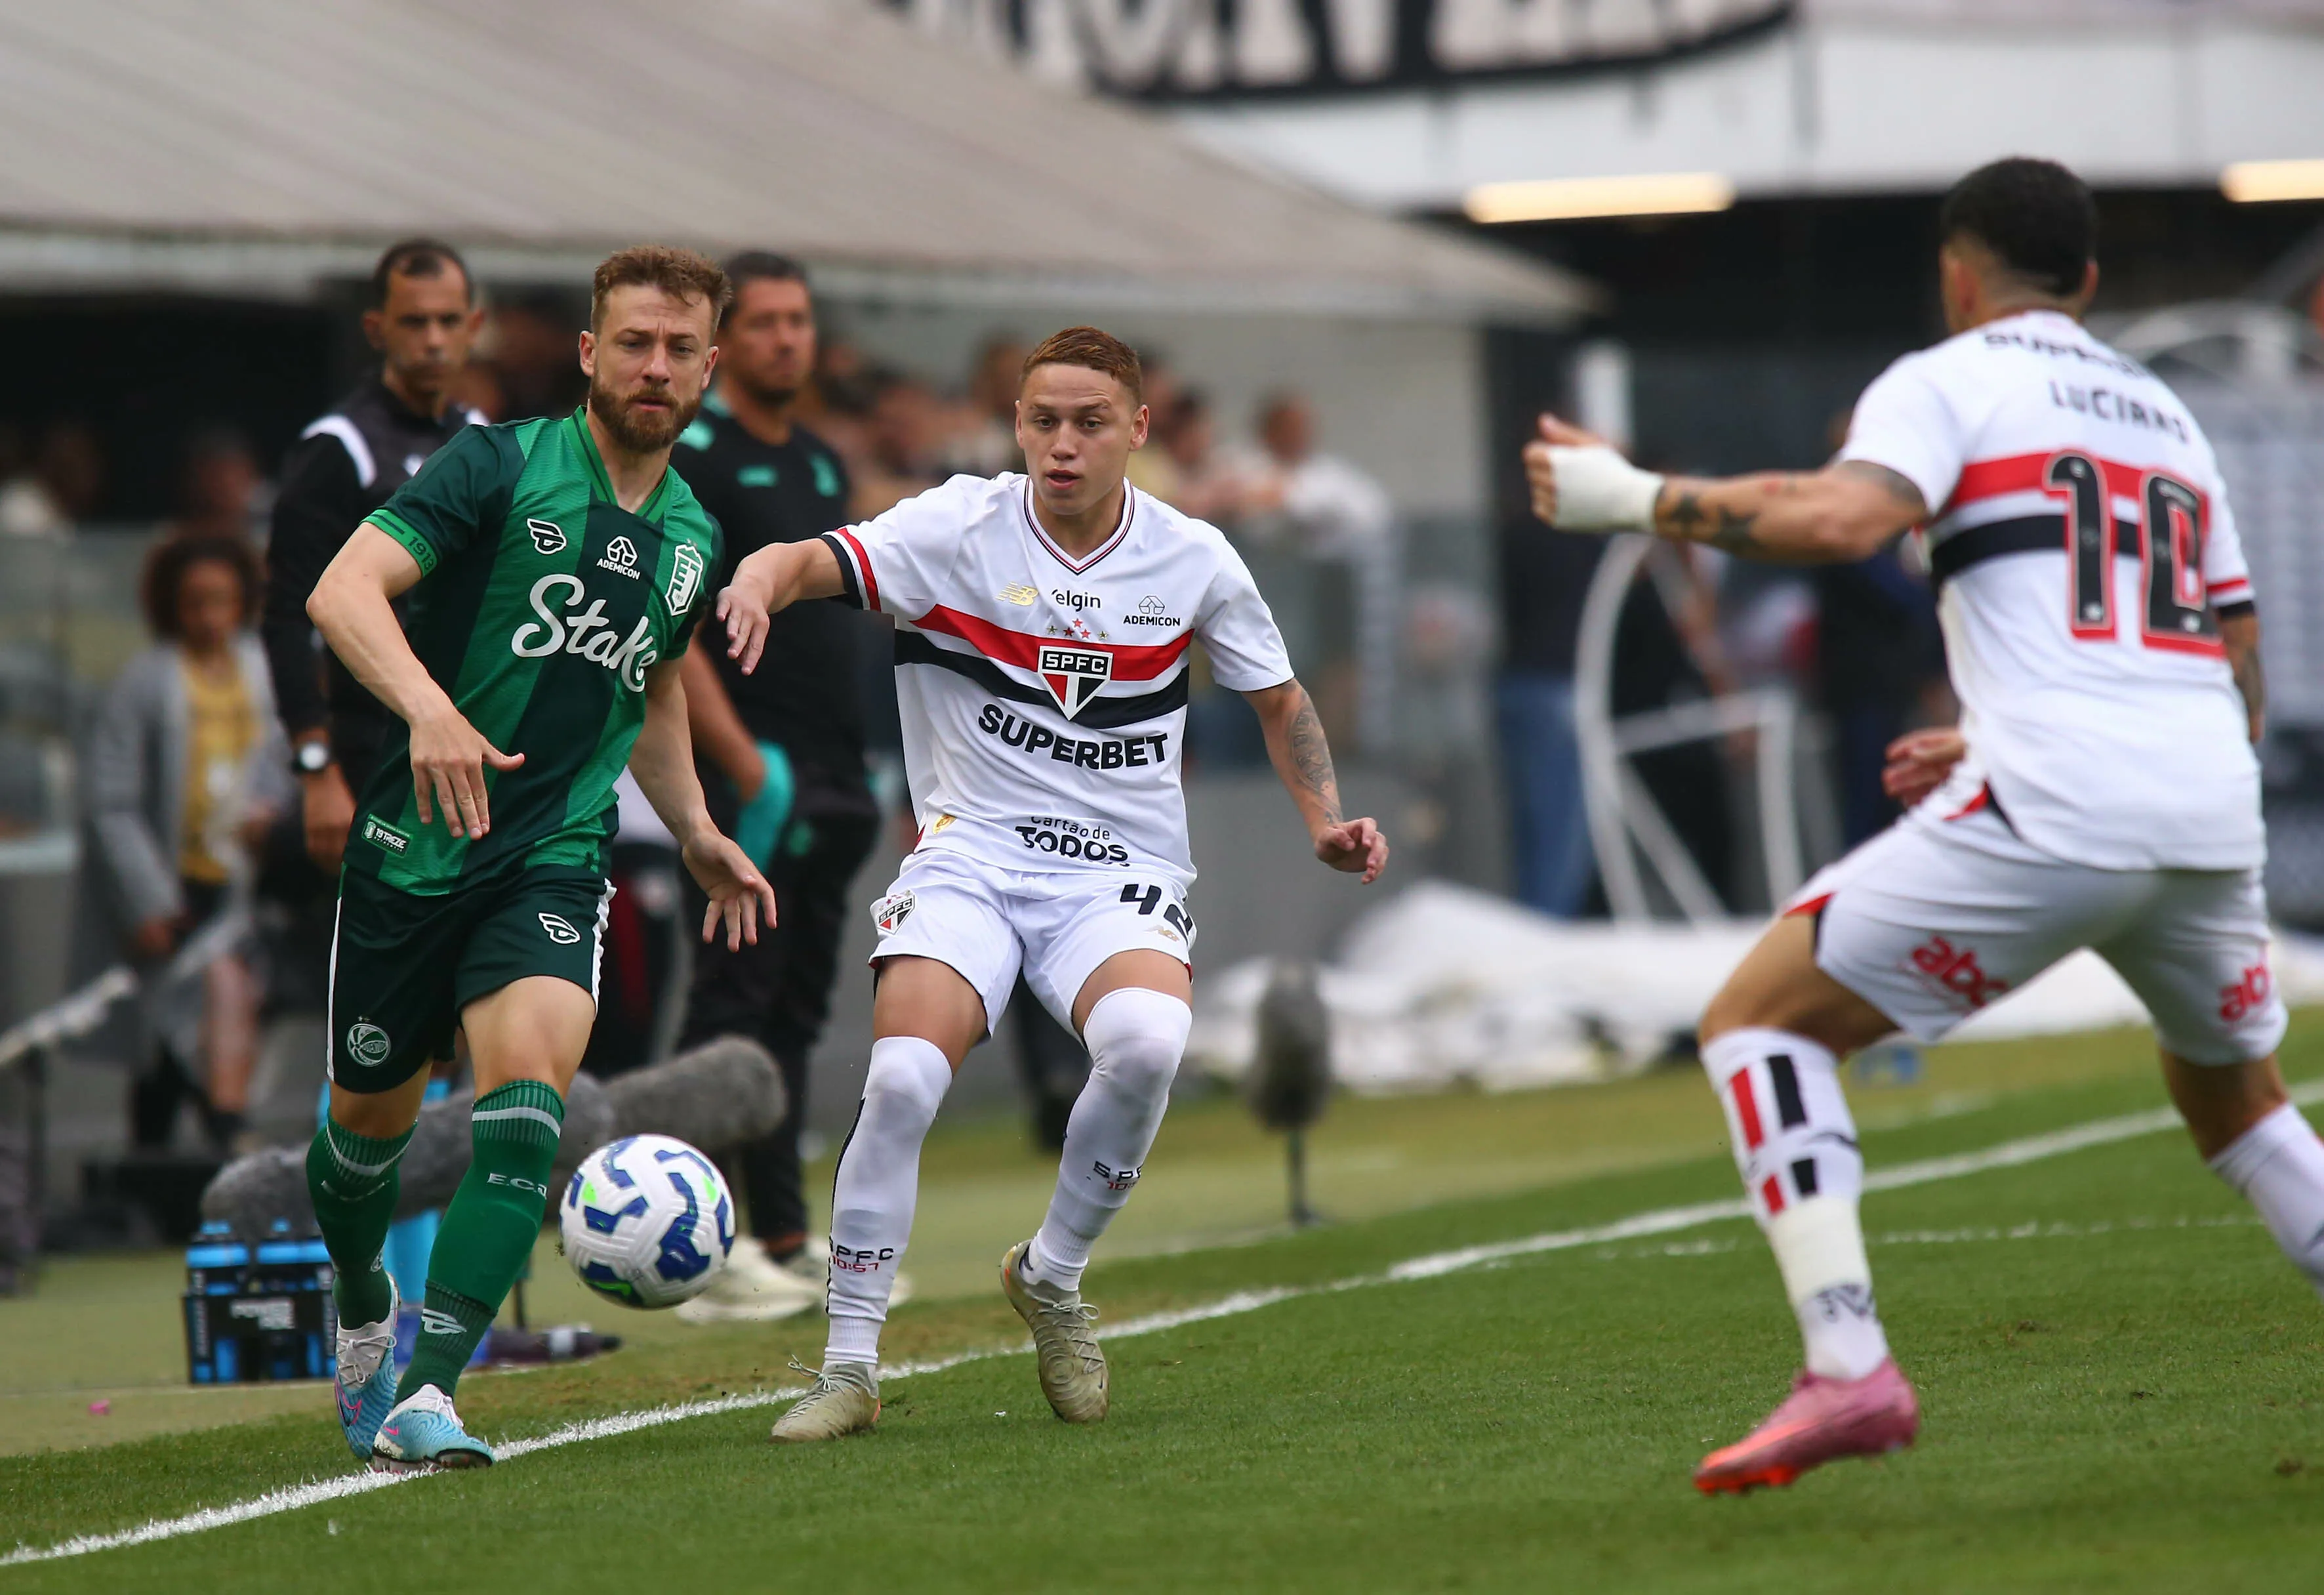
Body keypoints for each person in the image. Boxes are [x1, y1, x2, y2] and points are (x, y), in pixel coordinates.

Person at [1524, 157, 2304, 1493]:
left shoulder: (1948, 378)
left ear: (1956, 274)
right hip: (2202, 812)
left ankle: (1847, 1371)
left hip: (2061, 799)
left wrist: (1628, 495)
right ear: (2091, 282)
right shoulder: (2168, 417)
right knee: (2237, 1107)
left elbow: (1838, 519)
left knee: (1757, 1021)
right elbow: (2231, 649)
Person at [720, 325, 1389, 1443]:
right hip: (971, 858)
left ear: (1136, 429)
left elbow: (1277, 698)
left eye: (1088, 423)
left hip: (1115, 876)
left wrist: (1322, 821)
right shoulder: (955, 527)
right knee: (898, 1085)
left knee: (1142, 1046)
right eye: (1042, 422)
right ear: (1015, 426)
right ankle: (847, 1369)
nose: (1062, 445)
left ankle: (1050, 1275)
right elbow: (810, 560)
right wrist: (754, 577)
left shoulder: (1193, 557)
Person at [301, 245, 774, 1471]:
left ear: (708, 369)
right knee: (363, 1140)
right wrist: (429, 707)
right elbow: (343, 591)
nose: (654, 366)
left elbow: (655, 680)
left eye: (678, 349)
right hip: (412, 851)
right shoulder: (497, 463)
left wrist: (696, 828)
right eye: (633, 343)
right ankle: (361, 1295)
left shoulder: (689, 531)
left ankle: (429, 1391)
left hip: (551, 860)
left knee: (521, 1116)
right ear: (588, 353)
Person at [666, 252, 882, 1322]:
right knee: (730, 1007)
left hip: (839, 777)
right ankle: (693, 1245)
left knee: (796, 1011)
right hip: (759, 779)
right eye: (764, 324)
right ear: (723, 343)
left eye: (800, 320)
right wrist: (743, 765)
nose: (786, 340)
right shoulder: (696, 460)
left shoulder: (816, 458)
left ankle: (785, 1235)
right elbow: (674, 628)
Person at [262, 239, 487, 879]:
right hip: (369, 750)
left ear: (475, 326)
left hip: (462, 743)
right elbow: (286, 616)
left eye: (449, 321)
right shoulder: (340, 450)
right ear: (376, 329)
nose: (435, 340)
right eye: (415, 322)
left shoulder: (482, 441)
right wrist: (317, 771)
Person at [84, 533, 289, 1153]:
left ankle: (217, 1142)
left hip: (245, 884)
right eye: (193, 602)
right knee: (161, 1032)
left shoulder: (264, 669)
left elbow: (288, 762)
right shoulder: (145, 680)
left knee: (217, 1015)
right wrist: (145, 898)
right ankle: (154, 1165)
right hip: (175, 885)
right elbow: (110, 799)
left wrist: (272, 824)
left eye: (221, 600)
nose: (208, 616)